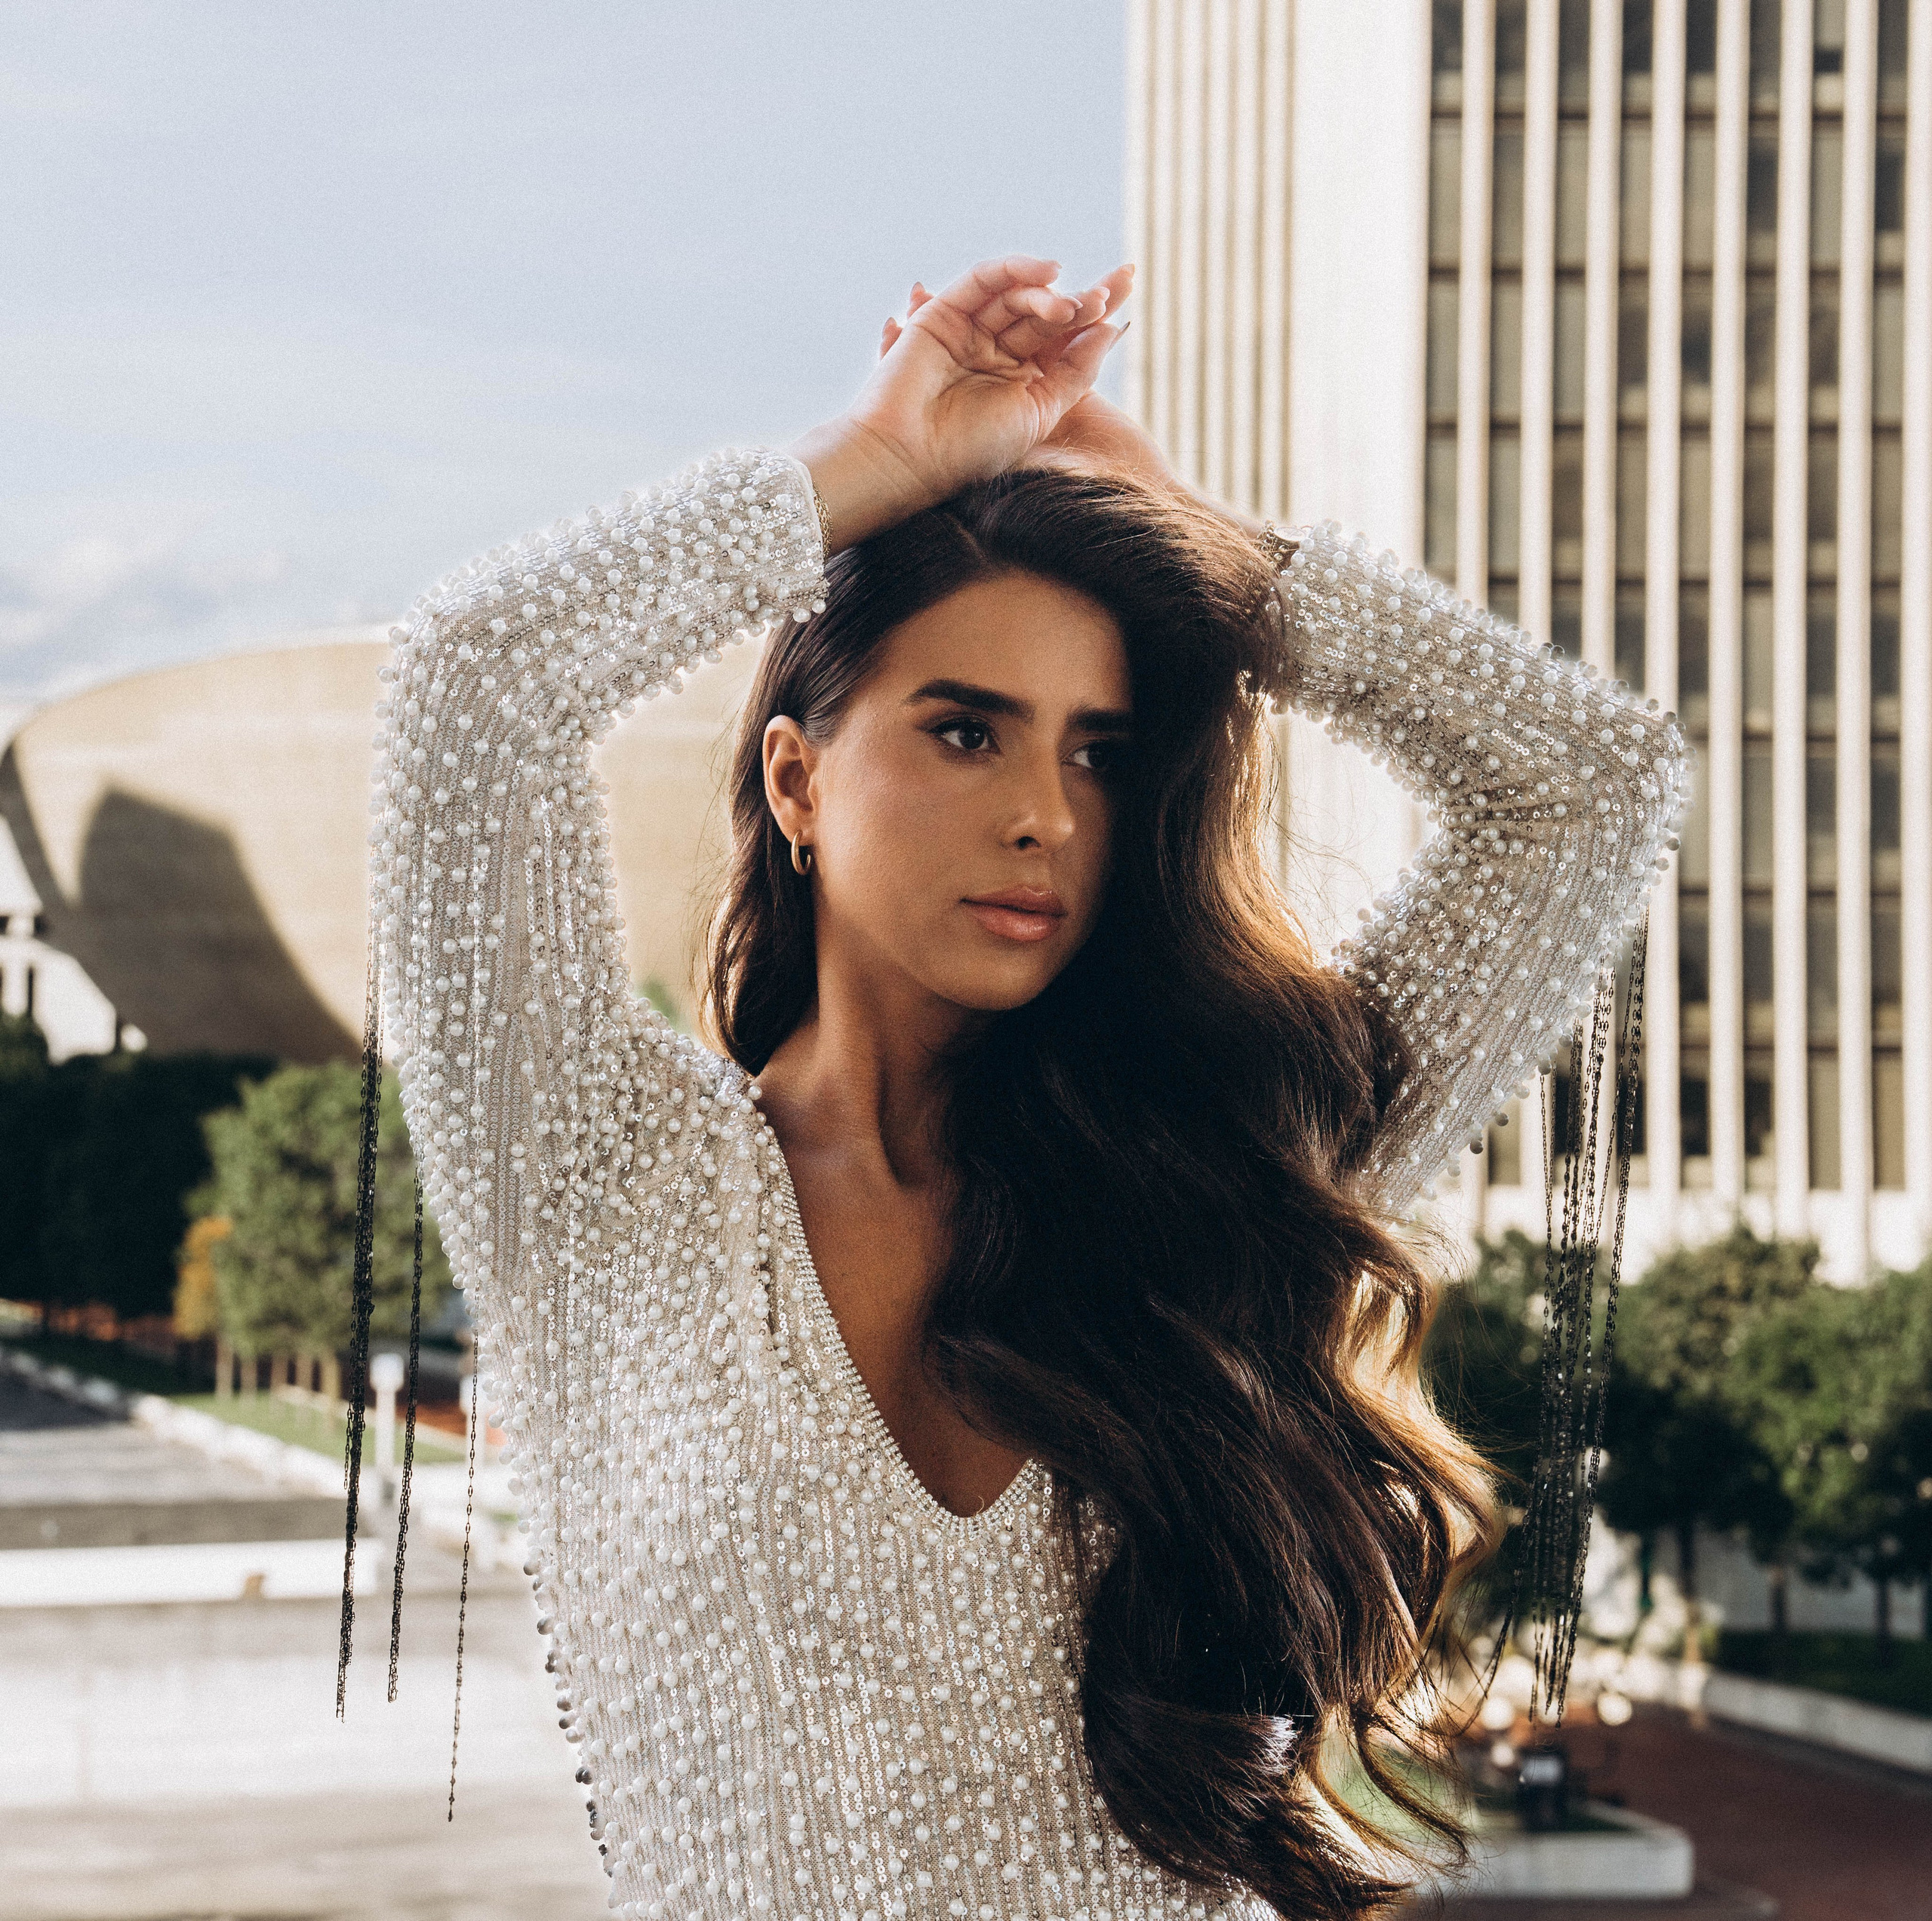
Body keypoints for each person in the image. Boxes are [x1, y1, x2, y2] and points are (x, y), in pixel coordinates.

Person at [365, 254, 1690, 1921]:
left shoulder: (1225, 1153)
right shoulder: (593, 1171)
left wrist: (1206, 552)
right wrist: (866, 465)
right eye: (965, 730)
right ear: (796, 779)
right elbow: (470, 685)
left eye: (1099, 752)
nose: (1045, 817)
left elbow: (1592, 784)